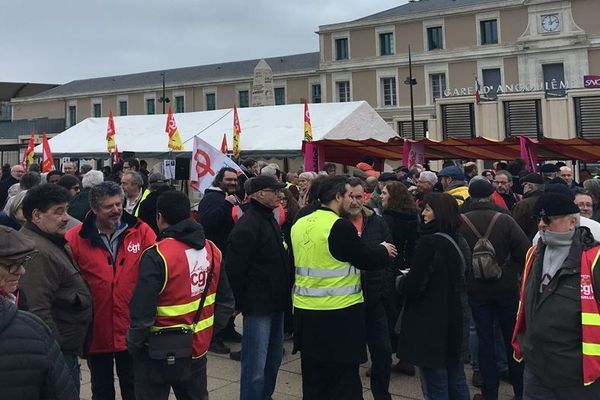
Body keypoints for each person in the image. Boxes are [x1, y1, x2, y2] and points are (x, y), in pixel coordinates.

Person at [291, 175, 397, 400]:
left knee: (313, 379)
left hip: (306, 312)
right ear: (338, 196)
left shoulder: (299, 223)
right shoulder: (338, 226)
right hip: (339, 315)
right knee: (343, 380)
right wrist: (383, 250)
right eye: (348, 195)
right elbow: (363, 257)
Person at [128, 190, 234, 400]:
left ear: (159, 217)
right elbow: (226, 301)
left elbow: (142, 311)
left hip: (156, 350)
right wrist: (209, 333)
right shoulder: (212, 250)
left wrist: (134, 345)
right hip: (197, 346)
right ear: (189, 214)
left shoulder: (156, 255)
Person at [66, 181, 156, 400]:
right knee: (102, 389)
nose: (116, 210)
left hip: (132, 327)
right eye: (109, 207)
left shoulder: (141, 231)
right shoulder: (76, 238)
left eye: (119, 204)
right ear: (95, 209)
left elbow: (156, 271)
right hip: (97, 328)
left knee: (134, 387)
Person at [512, 193, 600, 398]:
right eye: (538, 219)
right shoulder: (533, 254)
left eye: (549, 219)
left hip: (580, 376)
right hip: (536, 371)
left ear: (572, 222)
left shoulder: (594, 260)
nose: (542, 224)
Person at [18, 184, 93, 395]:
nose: (66, 217)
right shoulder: (36, 251)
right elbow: (37, 310)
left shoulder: (51, 241)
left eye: (67, 210)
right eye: (58, 212)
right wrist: (55, 354)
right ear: (37, 216)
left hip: (65, 349)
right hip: (57, 354)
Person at [395, 192, 470, 400]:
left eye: (428, 209)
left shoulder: (429, 244)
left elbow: (414, 285)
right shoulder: (459, 240)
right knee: (456, 377)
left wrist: (401, 281)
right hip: (454, 317)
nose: (423, 213)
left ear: (440, 213)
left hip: (430, 322)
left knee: (434, 381)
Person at [459, 179, 530, 400]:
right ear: (491, 195)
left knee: (484, 338)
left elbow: (457, 256)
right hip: (505, 288)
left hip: (476, 289)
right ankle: (520, 391)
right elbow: (525, 251)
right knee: (511, 339)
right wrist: (509, 271)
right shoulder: (505, 220)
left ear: (470, 196)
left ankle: (489, 392)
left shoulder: (460, 222)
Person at [224, 175, 291, 399]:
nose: (281, 194)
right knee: (255, 366)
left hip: (276, 303)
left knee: (272, 361)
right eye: (276, 190)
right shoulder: (249, 224)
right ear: (260, 194)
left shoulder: (268, 218)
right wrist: (242, 302)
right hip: (258, 306)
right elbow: (234, 269)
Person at [346, 177, 395, 400]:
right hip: (348, 300)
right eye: (351, 197)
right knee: (351, 357)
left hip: (375, 297)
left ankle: (382, 395)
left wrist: (383, 286)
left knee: (383, 354)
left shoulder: (376, 221)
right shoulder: (338, 223)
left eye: (360, 196)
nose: (356, 202)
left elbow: (390, 255)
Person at [198, 166, 241, 353]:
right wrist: (226, 205)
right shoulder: (211, 199)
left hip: (230, 254)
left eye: (234, 180)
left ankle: (228, 329)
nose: (232, 183)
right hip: (217, 256)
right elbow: (209, 222)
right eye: (228, 180)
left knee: (231, 297)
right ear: (219, 180)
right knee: (221, 299)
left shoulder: (232, 197)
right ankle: (213, 337)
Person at [512, 173, 545, 241]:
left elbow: (516, 229)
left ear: (530, 186)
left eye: (524, 185)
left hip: (527, 245)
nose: (523, 188)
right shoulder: (550, 200)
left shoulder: (523, 205)